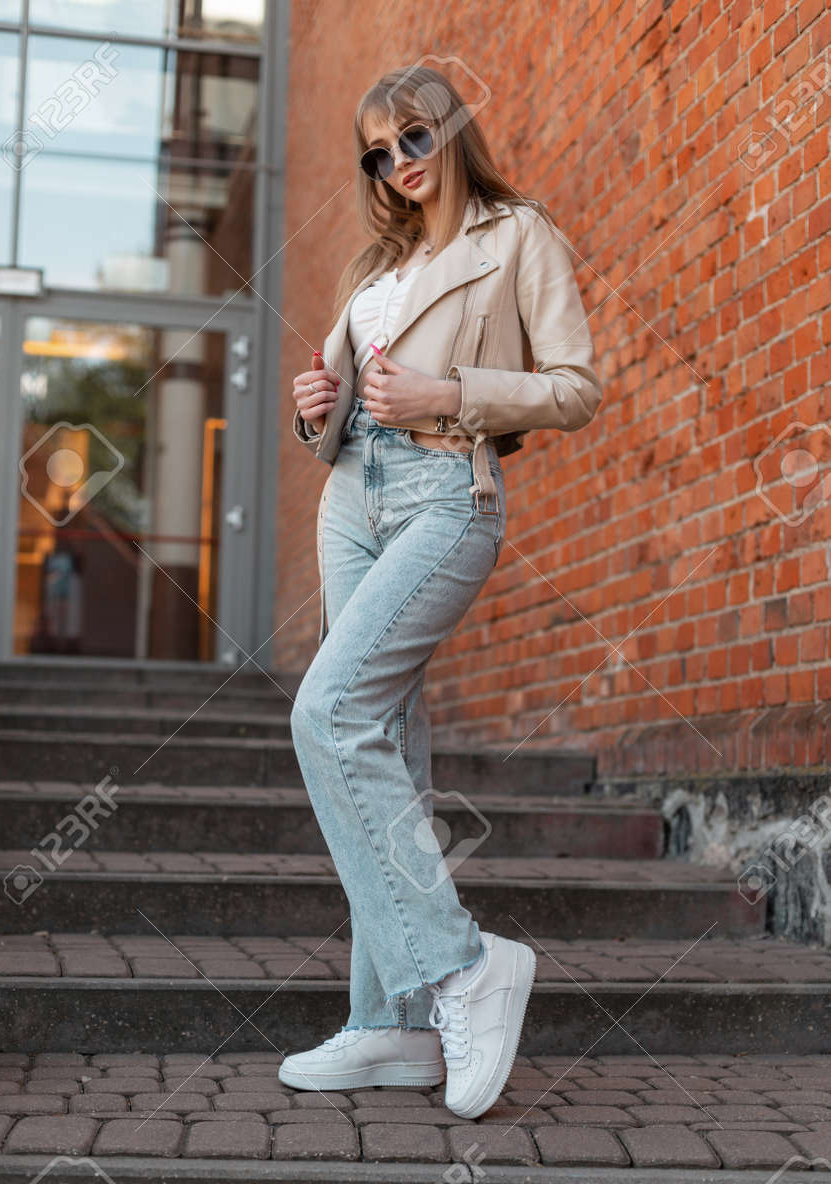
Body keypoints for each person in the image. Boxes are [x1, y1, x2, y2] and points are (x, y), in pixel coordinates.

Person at [283, 64, 602, 1119]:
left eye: (412, 138)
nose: (397, 164)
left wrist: (449, 393)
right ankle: (394, 1026)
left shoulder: (519, 236)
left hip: (445, 494)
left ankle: (466, 965)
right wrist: (312, 404)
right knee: (387, 745)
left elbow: (575, 386)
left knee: (327, 712)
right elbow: (341, 407)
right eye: (377, 153)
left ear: (453, 129)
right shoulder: (381, 261)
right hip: (350, 496)